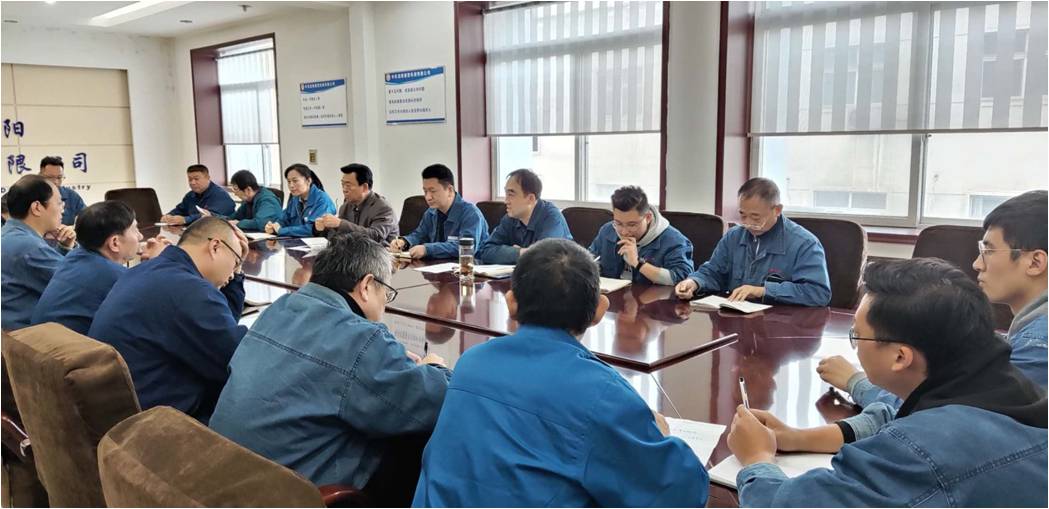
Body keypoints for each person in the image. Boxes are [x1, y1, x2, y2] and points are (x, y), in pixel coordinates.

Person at [726, 258, 1047, 507]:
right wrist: (794, 438)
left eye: (857, 334)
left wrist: (757, 459)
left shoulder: (921, 450)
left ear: (900, 357)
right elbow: (895, 413)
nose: (854, 344)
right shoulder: (1005, 384)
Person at [412, 239, 709, 507]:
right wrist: (661, 435)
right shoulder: (602, 395)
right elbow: (684, 494)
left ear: (511, 302)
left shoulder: (471, 362)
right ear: (599, 310)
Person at [211, 233, 451, 506]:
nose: (385, 303)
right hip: (284, 495)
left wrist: (384, 361)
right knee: (414, 440)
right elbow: (435, 400)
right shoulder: (360, 338)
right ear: (366, 286)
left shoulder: (279, 308)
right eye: (386, 292)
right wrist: (434, 366)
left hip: (222, 480)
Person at [820, 191, 1049, 412]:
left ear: (1035, 262)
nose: (977, 264)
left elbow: (952, 414)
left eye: (988, 251)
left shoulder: (1038, 343)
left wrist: (856, 382)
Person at [89, 217, 248, 423]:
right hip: (150, 425)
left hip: (114, 411)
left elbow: (220, 329)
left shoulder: (143, 270)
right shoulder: (191, 290)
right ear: (215, 247)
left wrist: (236, 270)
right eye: (236, 262)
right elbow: (239, 362)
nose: (233, 273)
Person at [674, 177, 831, 306]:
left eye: (755, 217)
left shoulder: (804, 243)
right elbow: (713, 272)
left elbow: (818, 293)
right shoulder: (734, 237)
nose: (748, 223)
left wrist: (762, 291)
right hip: (735, 319)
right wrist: (694, 282)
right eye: (743, 215)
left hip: (781, 324)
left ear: (777, 210)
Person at [31, 201, 169, 334]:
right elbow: (160, 307)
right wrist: (159, 262)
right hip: (74, 349)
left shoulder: (74, 256)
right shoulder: (117, 277)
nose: (140, 236)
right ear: (114, 243)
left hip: (42, 344)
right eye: (135, 230)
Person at [1, 175, 76, 330]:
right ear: (37, 207)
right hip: (25, 335)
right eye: (59, 203)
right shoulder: (28, 246)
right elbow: (78, 283)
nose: (63, 209)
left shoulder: (11, 235)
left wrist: (64, 248)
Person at [589, 186, 694, 285]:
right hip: (612, 295)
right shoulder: (607, 231)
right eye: (618, 223)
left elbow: (682, 279)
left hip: (653, 297)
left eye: (632, 225)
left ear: (648, 218)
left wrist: (638, 263)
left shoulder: (674, 241)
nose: (624, 232)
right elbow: (589, 260)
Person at [390, 164, 489, 260]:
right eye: (425, 191)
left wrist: (427, 249)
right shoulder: (431, 212)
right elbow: (419, 235)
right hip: (437, 267)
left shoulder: (471, 214)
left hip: (469, 267)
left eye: (433, 191)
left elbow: (466, 248)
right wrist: (404, 242)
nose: (428, 197)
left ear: (450, 190)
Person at [475, 169, 571, 264]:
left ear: (530, 198)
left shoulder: (552, 218)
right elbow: (486, 251)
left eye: (511, 194)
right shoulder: (510, 218)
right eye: (506, 194)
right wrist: (521, 252)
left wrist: (511, 254)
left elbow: (545, 258)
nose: (506, 201)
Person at [314, 163, 399, 244]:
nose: (344, 189)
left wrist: (340, 224)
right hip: (353, 252)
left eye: (348, 185)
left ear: (364, 187)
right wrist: (324, 228)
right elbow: (337, 237)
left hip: (380, 252)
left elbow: (376, 236)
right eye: (342, 184)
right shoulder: (345, 206)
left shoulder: (383, 208)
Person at [264, 163, 336, 238]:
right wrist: (274, 226)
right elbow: (284, 219)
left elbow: (311, 229)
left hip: (317, 242)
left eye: (295, 181)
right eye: (289, 182)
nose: (291, 185)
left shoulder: (322, 200)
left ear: (308, 181)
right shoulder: (295, 198)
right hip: (296, 241)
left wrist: (281, 231)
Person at [161, 164, 236, 225]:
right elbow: (180, 210)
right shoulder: (190, 195)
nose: (192, 183)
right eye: (190, 179)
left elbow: (210, 217)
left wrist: (185, 220)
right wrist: (169, 216)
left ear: (208, 178)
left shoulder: (220, 195)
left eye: (196, 179)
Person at [39, 156, 85, 226]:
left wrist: (72, 228)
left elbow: (87, 218)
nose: (55, 182)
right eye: (50, 177)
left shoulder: (71, 196)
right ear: (40, 175)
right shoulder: (31, 195)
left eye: (59, 177)